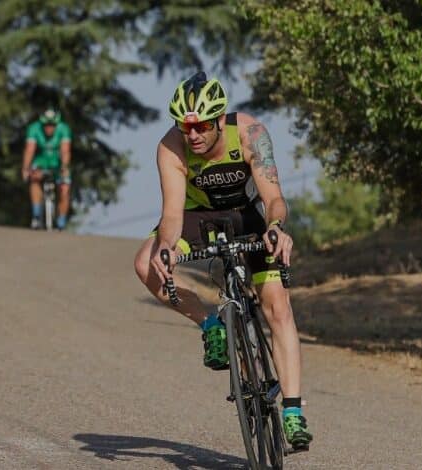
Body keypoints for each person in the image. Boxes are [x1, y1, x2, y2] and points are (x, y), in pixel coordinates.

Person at [133, 72, 313, 450]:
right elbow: (171, 216)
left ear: (219, 120)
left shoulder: (249, 134)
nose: (192, 134)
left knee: (278, 306)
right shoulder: (171, 147)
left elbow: (274, 199)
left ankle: (293, 412)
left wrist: (276, 228)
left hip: (247, 215)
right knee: (145, 264)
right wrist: (169, 247)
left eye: (200, 126)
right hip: (197, 217)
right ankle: (212, 323)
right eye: (185, 126)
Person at [21, 108, 72, 230]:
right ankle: (36, 215)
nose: (49, 128)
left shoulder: (64, 129)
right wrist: (26, 168)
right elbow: (29, 150)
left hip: (57, 162)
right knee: (34, 178)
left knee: (64, 189)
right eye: (46, 125)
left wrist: (64, 168)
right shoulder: (34, 128)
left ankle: (61, 220)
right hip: (41, 161)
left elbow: (65, 151)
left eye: (52, 125)